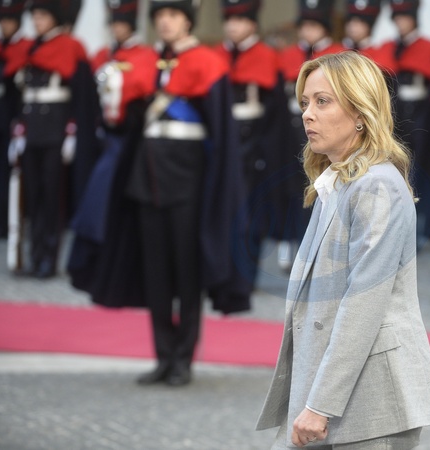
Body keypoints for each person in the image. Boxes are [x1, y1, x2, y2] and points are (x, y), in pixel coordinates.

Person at [256, 51, 430, 449]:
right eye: (305, 103)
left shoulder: (376, 186)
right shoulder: (340, 181)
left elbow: (363, 303)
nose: (308, 114)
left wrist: (320, 405)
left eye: (322, 102)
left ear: (360, 113)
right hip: (338, 395)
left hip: (371, 403)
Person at [124, 0, 249, 387]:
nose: (165, 22)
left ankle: (183, 359)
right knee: (156, 273)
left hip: (189, 181)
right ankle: (162, 356)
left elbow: (220, 133)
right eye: (160, 16)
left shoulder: (207, 63)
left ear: (188, 21)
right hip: (148, 178)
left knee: (187, 272)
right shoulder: (146, 62)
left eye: (173, 15)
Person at [66, 0, 158, 307]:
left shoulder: (144, 56)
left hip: (128, 142)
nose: (117, 28)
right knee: (94, 201)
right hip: (102, 139)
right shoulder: (102, 55)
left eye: (122, 22)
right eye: (114, 22)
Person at [9, 0, 99, 278]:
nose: (37, 21)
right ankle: (34, 255)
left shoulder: (70, 47)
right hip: (31, 129)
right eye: (35, 16)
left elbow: (80, 97)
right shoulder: (28, 47)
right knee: (32, 195)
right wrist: (18, 130)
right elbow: (19, 96)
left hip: (56, 130)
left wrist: (72, 132)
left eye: (43, 16)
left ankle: (49, 256)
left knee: (51, 197)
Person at [213, 0, 287, 290]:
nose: (233, 26)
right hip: (221, 147)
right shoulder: (216, 55)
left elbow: (276, 116)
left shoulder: (267, 58)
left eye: (240, 20)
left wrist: (266, 154)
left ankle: (243, 280)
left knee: (249, 216)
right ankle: (218, 276)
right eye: (229, 19)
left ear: (253, 23)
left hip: (252, 149)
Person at [276, 0, 344, 270]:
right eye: (305, 25)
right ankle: (288, 241)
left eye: (314, 25)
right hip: (292, 130)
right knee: (290, 189)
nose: (308, 30)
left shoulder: (338, 56)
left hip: (323, 132)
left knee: (320, 187)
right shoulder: (289, 54)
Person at [378, 0, 430, 245]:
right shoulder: (387, 48)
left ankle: (423, 228)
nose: (400, 23)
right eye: (397, 18)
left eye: (404, 17)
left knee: (421, 174)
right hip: (395, 120)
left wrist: (428, 124)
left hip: (421, 120)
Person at [0, 0, 28, 239]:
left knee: (7, 173)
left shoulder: (24, 48)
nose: (6, 25)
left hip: (11, 120)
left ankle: (7, 221)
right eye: (3, 20)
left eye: (10, 20)